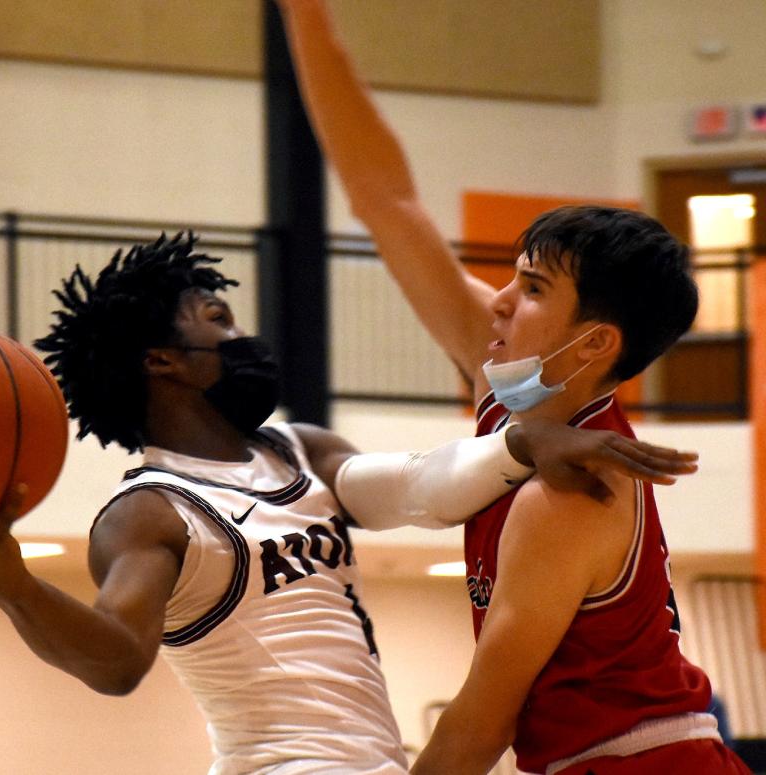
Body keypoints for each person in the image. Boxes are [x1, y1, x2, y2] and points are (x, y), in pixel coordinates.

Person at [0, 233, 698, 774]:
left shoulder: (298, 448)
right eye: (218, 319)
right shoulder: (150, 512)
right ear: (164, 360)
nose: (244, 337)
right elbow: (119, 659)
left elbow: (419, 488)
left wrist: (524, 443)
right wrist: (9, 581)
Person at [276, 2, 752, 773]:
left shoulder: (572, 492)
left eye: (530, 289)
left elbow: (481, 719)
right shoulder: (517, 389)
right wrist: (305, 17)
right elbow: (386, 202)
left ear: (594, 342)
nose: (497, 300)